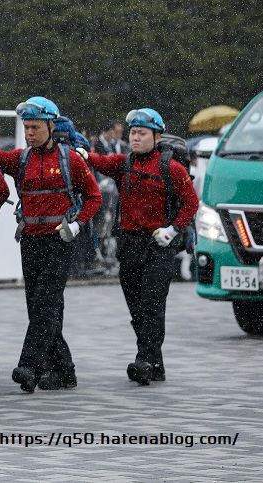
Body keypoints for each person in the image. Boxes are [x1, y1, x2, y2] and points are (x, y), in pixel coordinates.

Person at [0, 96, 101, 394]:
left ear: (50, 126)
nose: (29, 132)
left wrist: (76, 224)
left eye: (34, 127)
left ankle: (29, 365)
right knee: (41, 306)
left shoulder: (70, 160)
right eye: (26, 127)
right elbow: (0, 157)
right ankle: (64, 370)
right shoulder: (21, 159)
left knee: (45, 304)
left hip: (59, 241)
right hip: (30, 240)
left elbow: (94, 196)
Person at [78, 109, 198, 385]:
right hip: (129, 243)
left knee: (152, 305)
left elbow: (191, 202)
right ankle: (155, 362)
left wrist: (173, 229)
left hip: (158, 245)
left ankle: (144, 360)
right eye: (133, 133)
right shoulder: (124, 163)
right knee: (137, 309)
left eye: (142, 134)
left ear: (157, 136)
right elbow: (98, 161)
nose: (135, 138)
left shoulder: (172, 167)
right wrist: (81, 154)